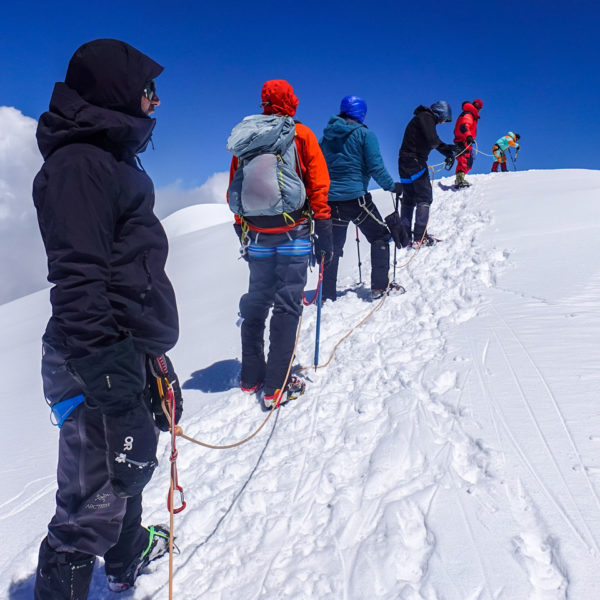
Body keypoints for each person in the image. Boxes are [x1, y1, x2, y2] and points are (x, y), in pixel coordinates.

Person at [32, 39, 182, 599]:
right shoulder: (80, 166)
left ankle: (126, 556)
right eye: (148, 90)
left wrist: (151, 360)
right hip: (93, 357)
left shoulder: (108, 160)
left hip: (121, 351)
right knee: (85, 511)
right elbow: (79, 285)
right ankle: (70, 573)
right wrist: (118, 389)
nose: (156, 102)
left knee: (132, 463)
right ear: (117, 92)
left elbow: (126, 275)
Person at [227, 79, 332, 408]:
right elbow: (317, 182)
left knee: (258, 297)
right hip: (293, 232)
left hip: (256, 234)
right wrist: (324, 224)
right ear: (292, 102)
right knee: (288, 302)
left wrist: (241, 227)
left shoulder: (248, 137)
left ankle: (251, 376)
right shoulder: (300, 135)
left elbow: (235, 185)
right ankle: (278, 384)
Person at [319, 95, 402, 301]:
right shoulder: (365, 135)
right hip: (357, 200)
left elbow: (318, 168)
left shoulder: (326, 138)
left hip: (331, 202)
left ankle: (327, 295)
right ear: (361, 113)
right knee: (379, 236)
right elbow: (375, 167)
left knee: (333, 248)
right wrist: (392, 187)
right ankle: (379, 288)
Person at [397, 101, 456, 246]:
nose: (442, 122)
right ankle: (419, 236)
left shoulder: (422, 117)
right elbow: (433, 141)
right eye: (443, 119)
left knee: (409, 198)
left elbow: (430, 140)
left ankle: (404, 235)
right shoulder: (427, 117)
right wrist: (448, 151)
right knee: (424, 197)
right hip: (415, 161)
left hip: (404, 162)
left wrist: (448, 149)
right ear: (440, 113)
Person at [453, 98, 483, 187]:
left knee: (469, 163)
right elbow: (464, 126)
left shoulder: (471, 114)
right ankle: (460, 180)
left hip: (466, 141)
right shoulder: (469, 114)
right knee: (464, 160)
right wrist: (468, 136)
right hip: (463, 141)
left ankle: (460, 178)